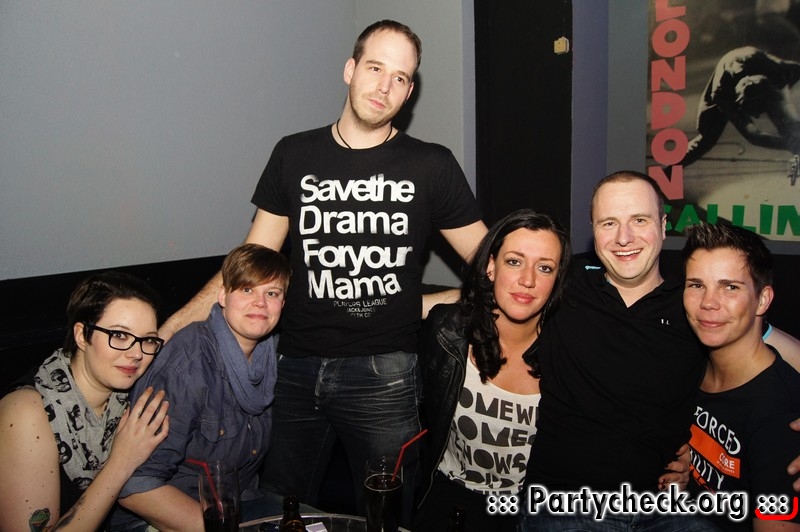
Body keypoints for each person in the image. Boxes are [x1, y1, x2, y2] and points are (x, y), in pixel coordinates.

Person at [157, 19, 487, 519]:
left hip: (384, 372)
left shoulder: (431, 165)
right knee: (281, 510)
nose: (385, 86)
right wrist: (173, 326)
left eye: (400, 77)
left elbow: (492, 265)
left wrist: (429, 302)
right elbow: (250, 263)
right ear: (350, 70)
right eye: (375, 68)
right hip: (292, 364)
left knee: (387, 516)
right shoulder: (294, 154)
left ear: (409, 91)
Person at [520, 171, 800, 530]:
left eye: (639, 220)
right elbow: (495, 292)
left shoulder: (696, 302)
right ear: (593, 229)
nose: (624, 238)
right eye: (609, 223)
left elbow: (767, 342)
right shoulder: (564, 282)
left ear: (664, 226)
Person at [414, 209, 571, 531]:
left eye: (544, 267)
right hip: (448, 499)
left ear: (557, 279)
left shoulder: (570, 353)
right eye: (514, 261)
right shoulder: (447, 333)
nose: (528, 280)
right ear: (490, 266)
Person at [116, 243, 290, 530]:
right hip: (164, 517)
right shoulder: (188, 359)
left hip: (238, 502)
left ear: (282, 304)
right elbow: (136, 486)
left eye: (272, 293)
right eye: (247, 289)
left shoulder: (272, 358)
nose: (260, 302)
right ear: (222, 295)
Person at [0, 271, 169, 531]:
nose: (137, 353)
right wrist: (122, 461)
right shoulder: (27, 414)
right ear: (82, 335)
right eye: (119, 335)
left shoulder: (123, 399)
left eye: (147, 339)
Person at [682, 222, 800, 531]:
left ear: (763, 300)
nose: (708, 302)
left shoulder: (781, 416)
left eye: (730, 287)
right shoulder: (692, 364)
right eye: (696, 285)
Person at [678, 46, 800, 169]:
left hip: (757, 64)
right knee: (707, 138)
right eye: (755, 112)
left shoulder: (776, 71)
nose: (758, 117)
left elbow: (786, 108)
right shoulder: (722, 95)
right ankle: (671, 167)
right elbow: (754, 136)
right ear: (738, 105)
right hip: (726, 77)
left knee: (788, 124)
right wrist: (788, 144)